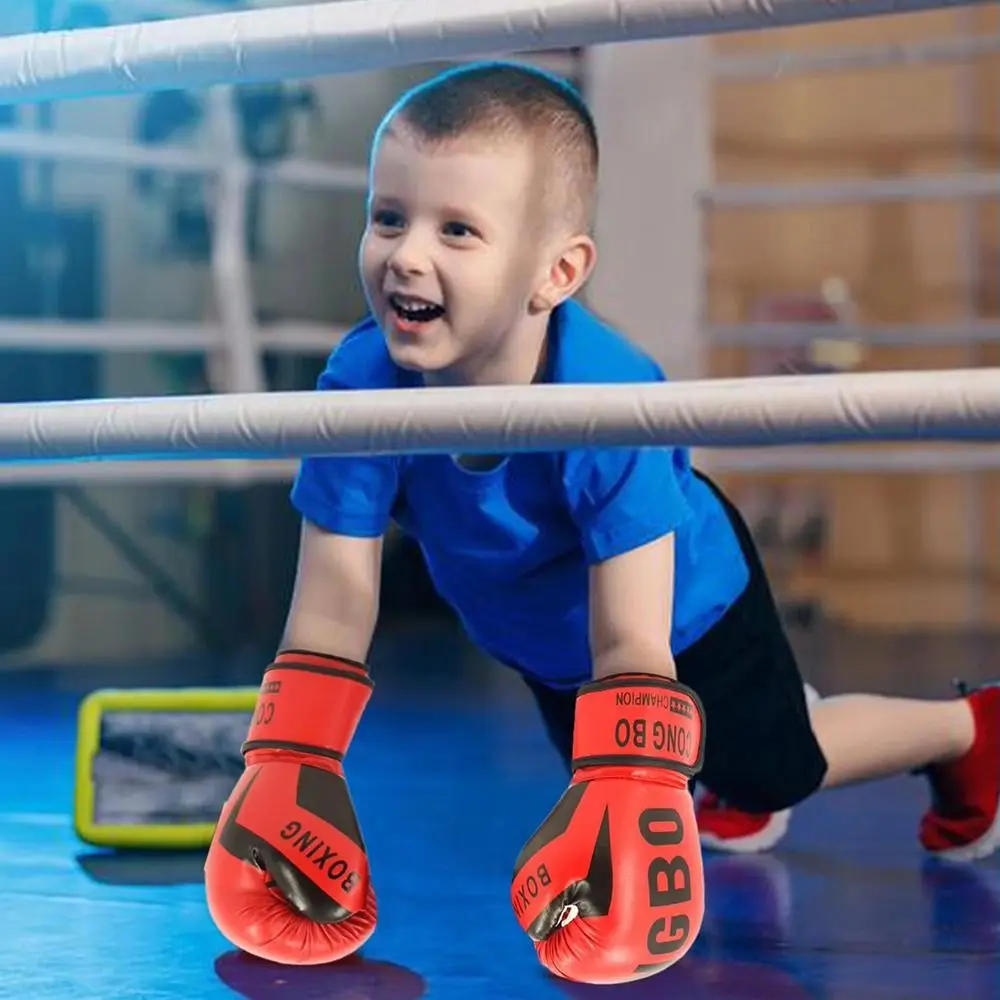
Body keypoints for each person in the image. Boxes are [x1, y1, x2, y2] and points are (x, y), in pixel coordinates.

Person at [203, 61, 1000, 983]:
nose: (407, 256)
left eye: (457, 230)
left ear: (558, 273)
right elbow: (336, 596)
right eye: (389, 217)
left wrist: (639, 777)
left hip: (681, 609)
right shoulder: (359, 387)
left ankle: (970, 731)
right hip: (543, 640)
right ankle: (714, 767)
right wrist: (294, 754)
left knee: (780, 765)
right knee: (633, 772)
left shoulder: (605, 400)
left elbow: (632, 633)